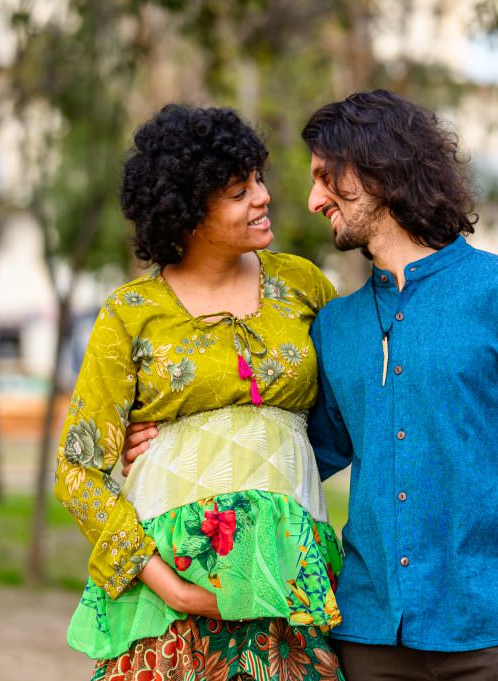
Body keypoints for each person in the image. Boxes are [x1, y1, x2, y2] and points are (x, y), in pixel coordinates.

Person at [125, 90, 498, 681]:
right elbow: (298, 450)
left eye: (326, 178)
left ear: (379, 169)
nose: (314, 200)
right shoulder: (337, 326)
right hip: (370, 637)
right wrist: (170, 448)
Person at [55, 103, 345, 681]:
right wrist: (172, 588)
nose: (263, 197)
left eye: (257, 179)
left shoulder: (303, 286)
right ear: (187, 214)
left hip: (285, 591)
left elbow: (350, 415)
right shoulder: (131, 314)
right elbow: (77, 472)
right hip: (172, 608)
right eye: (239, 192)